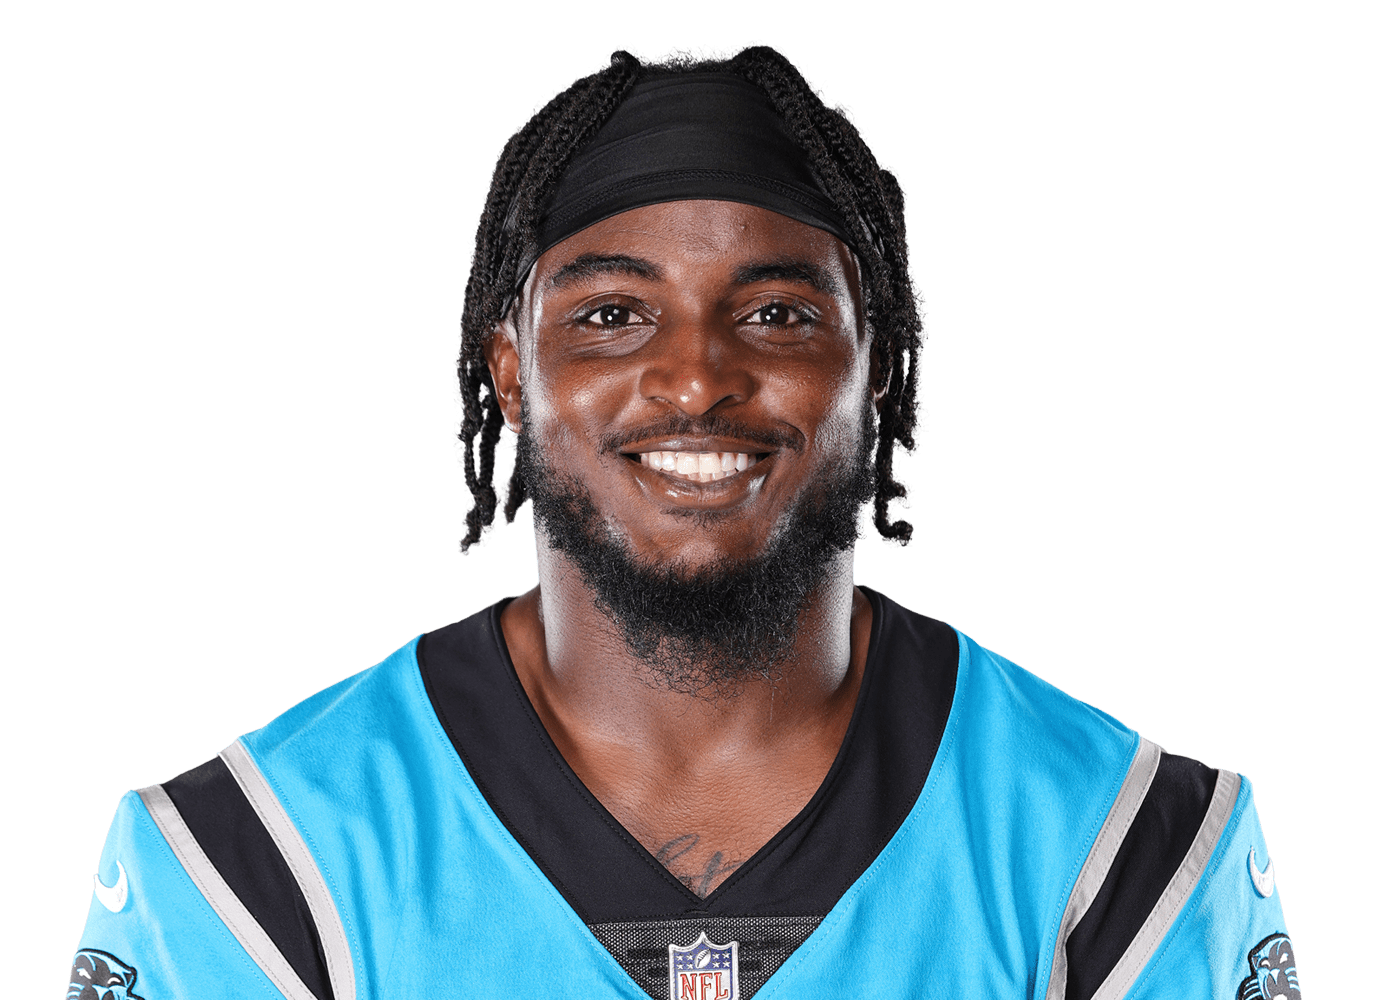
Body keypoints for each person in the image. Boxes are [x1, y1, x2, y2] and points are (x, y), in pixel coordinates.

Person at [67, 45, 1298, 1000]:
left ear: (876, 368)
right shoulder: (254, 863)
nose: (697, 376)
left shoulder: (1123, 847)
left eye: (775, 315)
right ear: (510, 373)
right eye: (611, 314)